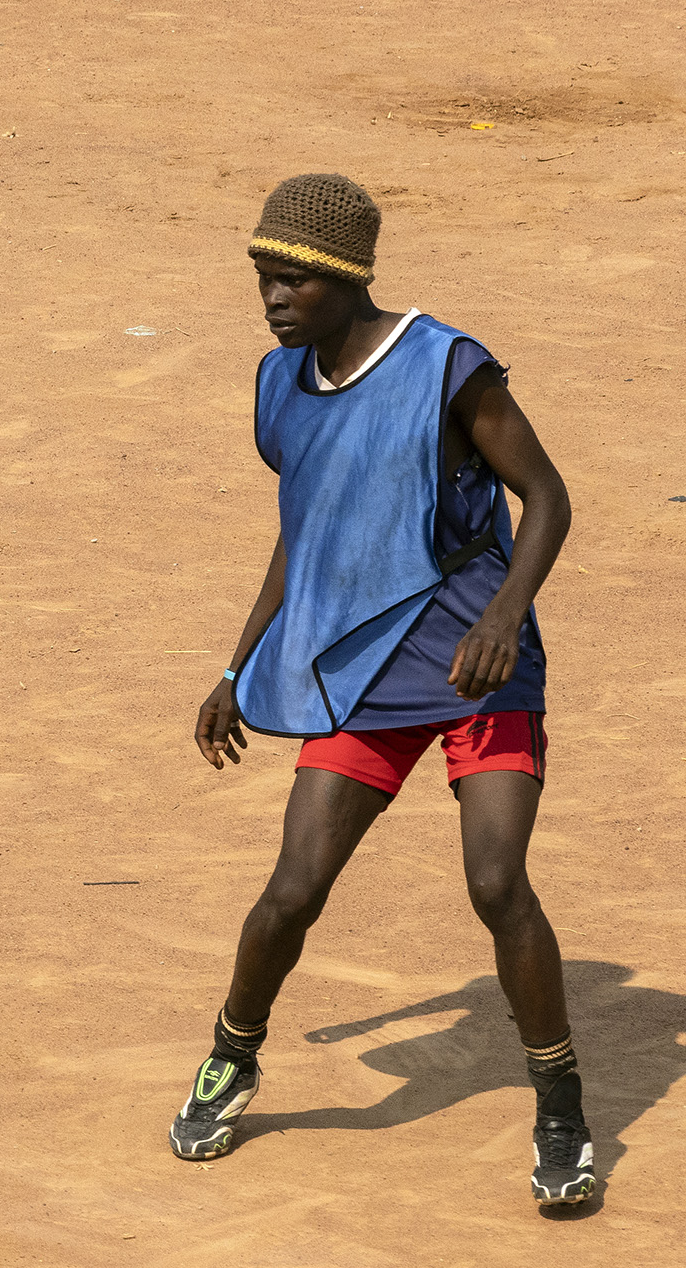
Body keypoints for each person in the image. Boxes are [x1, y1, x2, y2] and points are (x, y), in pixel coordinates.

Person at [175, 174, 595, 1207]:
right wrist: (237, 665)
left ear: (345, 278)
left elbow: (545, 496)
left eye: (293, 281)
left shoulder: (445, 365)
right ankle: (233, 1050)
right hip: (356, 674)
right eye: (263, 278)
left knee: (496, 882)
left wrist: (504, 619)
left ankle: (562, 1109)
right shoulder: (281, 383)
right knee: (291, 891)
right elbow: (305, 527)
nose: (273, 298)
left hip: (476, 668)